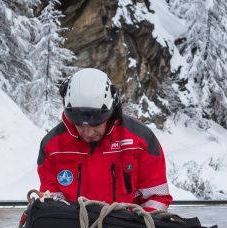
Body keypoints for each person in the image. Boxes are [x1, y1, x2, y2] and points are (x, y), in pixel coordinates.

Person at [37, 67, 173, 212]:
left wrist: (134, 227)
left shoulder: (140, 141)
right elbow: (51, 203)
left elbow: (157, 197)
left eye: (96, 123)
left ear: (110, 112)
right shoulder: (52, 147)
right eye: (78, 124)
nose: (88, 133)